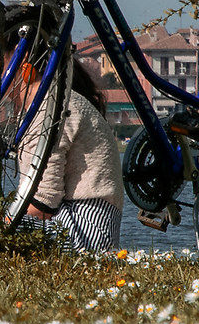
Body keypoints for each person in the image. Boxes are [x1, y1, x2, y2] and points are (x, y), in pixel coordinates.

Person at [14, 54, 125, 251]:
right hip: (90, 228)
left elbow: (42, 203)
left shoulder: (53, 108)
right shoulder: (59, 102)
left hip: (83, 233)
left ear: (24, 64)